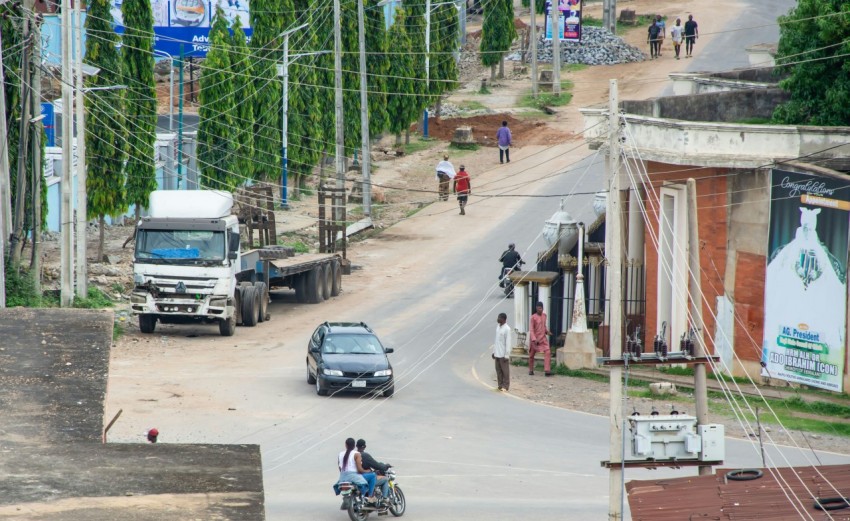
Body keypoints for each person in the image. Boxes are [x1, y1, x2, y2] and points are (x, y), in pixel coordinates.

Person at [336, 437, 377, 502]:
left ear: (345, 445)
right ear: (354, 445)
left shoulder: (340, 454)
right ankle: (370, 496)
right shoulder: (356, 454)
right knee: (373, 475)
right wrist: (367, 471)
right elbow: (360, 470)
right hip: (354, 478)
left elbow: (340, 469)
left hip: (342, 478)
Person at [528, 302, 553, 376]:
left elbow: (544, 326)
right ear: (536, 308)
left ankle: (547, 370)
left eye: (541, 308)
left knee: (548, 351)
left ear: (543, 308)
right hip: (535, 339)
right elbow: (531, 329)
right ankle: (531, 370)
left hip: (543, 338)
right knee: (531, 355)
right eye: (539, 308)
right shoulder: (533, 317)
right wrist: (534, 339)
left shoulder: (545, 316)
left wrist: (547, 332)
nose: (540, 310)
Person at [493, 313, 511, 391]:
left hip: (503, 354)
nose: (498, 319)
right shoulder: (498, 327)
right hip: (497, 353)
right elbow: (496, 340)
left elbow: (508, 343)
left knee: (505, 371)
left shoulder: (507, 329)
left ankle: (505, 386)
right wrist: (494, 352)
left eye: (499, 318)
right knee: (498, 370)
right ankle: (500, 385)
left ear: (503, 319)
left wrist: (506, 355)